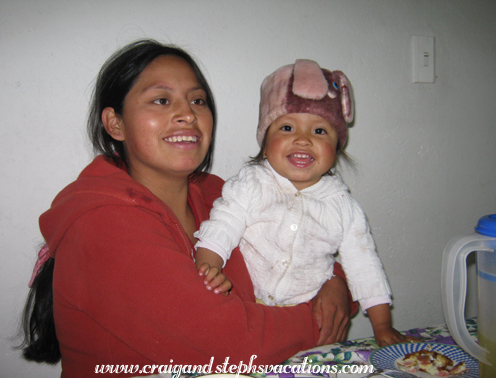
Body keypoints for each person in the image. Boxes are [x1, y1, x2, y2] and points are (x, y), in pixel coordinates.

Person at [20, 40, 358, 378]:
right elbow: (234, 344)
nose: (188, 114)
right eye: (161, 100)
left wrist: (337, 283)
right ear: (115, 124)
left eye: (198, 101)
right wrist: (318, 317)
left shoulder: (219, 194)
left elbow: (298, 246)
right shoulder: (100, 223)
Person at [195, 59, 416, 347]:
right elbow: (223, 223)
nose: (302, 140)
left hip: (309, 323)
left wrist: (382, 325)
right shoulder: (251, 183)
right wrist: (207, 267)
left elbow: (364, 265)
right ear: (265, 141)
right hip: (246, 311)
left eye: (320, 131)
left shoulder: (343, 207)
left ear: (337, 147)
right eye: (287, 128)